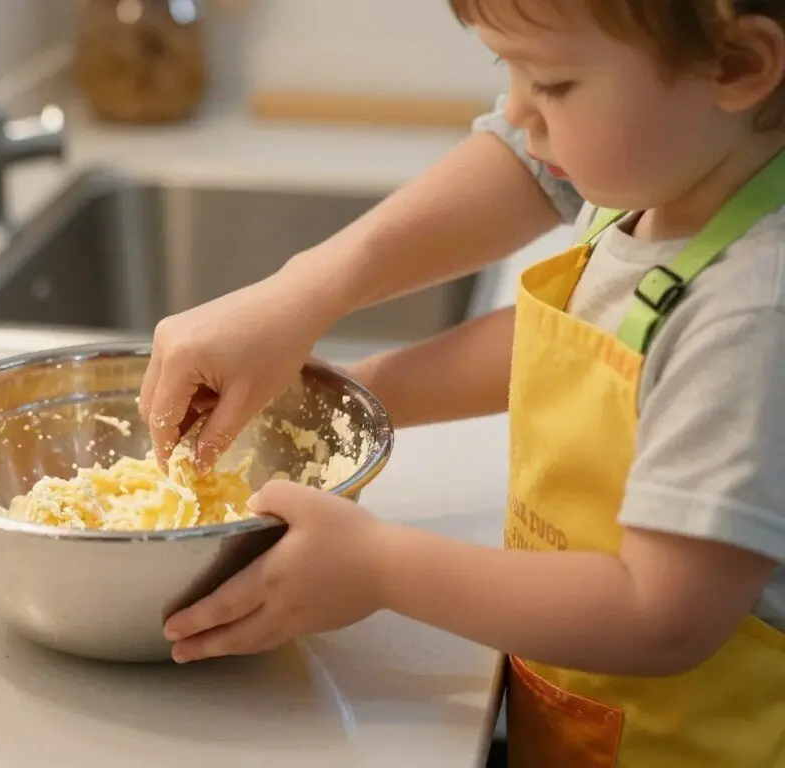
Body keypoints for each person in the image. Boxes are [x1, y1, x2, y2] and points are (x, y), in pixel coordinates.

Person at [142, 1, 785, 764]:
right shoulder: (662, 192)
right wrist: (352, 395)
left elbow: (661, 614)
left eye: (551, 82)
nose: (514, 114)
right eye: (503, 70)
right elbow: (570, 340)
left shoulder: (753, 311)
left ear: (738, 67)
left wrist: (380, 568)